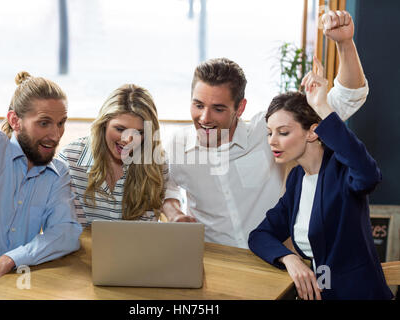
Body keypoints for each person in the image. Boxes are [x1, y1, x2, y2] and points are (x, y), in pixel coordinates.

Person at [161, 10, 370, 248]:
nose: (204, 118)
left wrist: (344, 43)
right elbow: (168, 188)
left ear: (240, 108)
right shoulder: (177, 145)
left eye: (218, 109)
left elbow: (348, 97)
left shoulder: (268, 132)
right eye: (198, 105)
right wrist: (175, 213)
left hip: (272, 259)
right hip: (213, 260)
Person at [0, 26, 82, 299]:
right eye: (44, 123)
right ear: (15, 121)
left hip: (8, 294)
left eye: (60, 123)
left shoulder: (57, 175)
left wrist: (10, 259)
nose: (55, 135)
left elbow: (66, 232)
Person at [248, 57, 393, 300]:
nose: (272, 140)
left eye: (283, 132)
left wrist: (322, 106)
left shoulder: (342, 169)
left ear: (313, 132)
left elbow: (369, 175)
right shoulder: (297, 179)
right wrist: (290, 258)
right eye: (269, 132)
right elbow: (259, 235)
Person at [58, 84, 166, 226]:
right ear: (104, 124)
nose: (128, 140)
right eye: (120, 129)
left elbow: (146, 233)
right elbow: (63, 227)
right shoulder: (69, 158)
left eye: (139, 132)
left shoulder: (156, 164)